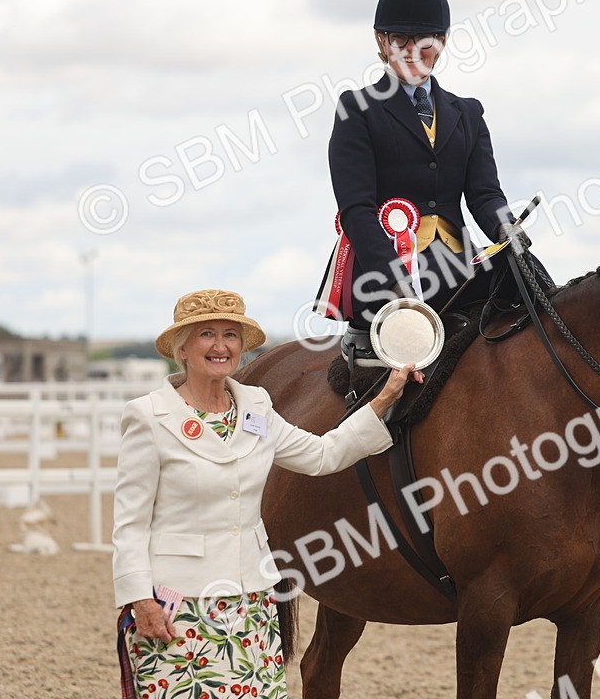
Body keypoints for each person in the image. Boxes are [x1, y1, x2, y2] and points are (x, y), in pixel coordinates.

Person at [112, 289, 420, 698]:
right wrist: (139, 600)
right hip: (177, 604)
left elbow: (322, 454)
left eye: (230, 335)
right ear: (181, 349)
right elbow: (129, 522)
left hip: (252, 603)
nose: (221, 346)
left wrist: (385, 398)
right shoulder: (148, 416)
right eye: (206, 334)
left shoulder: (256, 405)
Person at [314, 0, 537, 370]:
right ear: (381, 42)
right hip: (385, 268)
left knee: (529, 278)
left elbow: (485, 195)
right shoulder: (357, 110)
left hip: (457, 264)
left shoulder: (467, 112)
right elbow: (357, 209)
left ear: (443, 43)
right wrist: (396, 279)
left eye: (425, 42)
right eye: (400, 40)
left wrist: (508, 231)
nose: (411, 52)